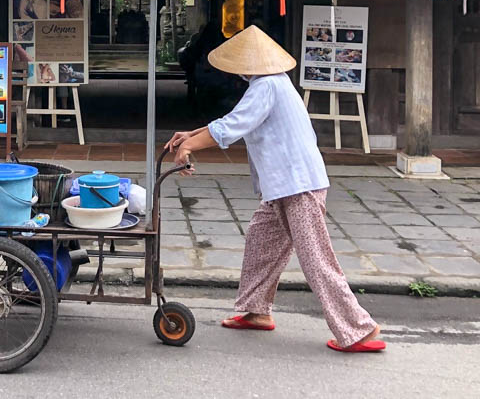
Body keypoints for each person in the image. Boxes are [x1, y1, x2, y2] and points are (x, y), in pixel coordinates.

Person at [165, 25, 385, 353]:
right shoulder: (270, 84)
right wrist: (190, 136)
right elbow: (238, 120)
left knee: (316, 259)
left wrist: (189, 146)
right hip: (283, 185)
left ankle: (358, 329)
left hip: (297, 185)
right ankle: (256, 311)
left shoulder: (266, 86)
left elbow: (233, 126)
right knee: (261, 242)